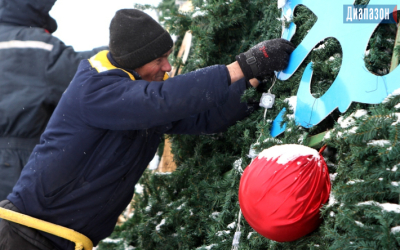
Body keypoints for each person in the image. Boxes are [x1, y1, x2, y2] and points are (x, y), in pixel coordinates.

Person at [0, 8, 295, 250]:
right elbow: (163, 101)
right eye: (159, 60)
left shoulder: (139, 93)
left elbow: (206, 118)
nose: (168, 67)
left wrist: (250, 82)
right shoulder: (96, 89)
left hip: (63, 242)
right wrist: (241, 66)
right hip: (24, 236)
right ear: (134, 63)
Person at [0, 0, 108, 202]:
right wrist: (130, 51)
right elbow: (85, 72)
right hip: (15, 164)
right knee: (19, 231)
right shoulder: (36, 46)